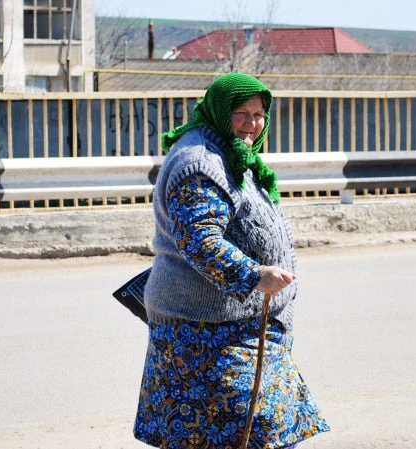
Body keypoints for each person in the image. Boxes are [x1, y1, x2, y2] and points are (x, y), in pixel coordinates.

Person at [134, 73, 330, 449]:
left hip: (239, 328)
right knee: (243, 436)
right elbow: (199, 239)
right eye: (242, 113)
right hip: (207, 336)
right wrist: (254, 275)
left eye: (258, 114)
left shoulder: (233, 155)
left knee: (254, 434)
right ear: (220, 111)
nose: (252, 123)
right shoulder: (201, 163)